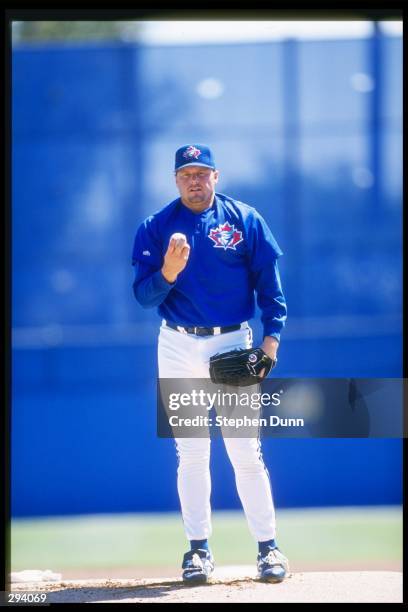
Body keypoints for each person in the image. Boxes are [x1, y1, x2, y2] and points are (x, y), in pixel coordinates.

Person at [131, 144, 289, 584]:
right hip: (178, 344)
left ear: (216, 176)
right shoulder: (156, 227)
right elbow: (143, 297)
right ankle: (198, 551)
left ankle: (268, 549)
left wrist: (270, 345)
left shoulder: (244, 220)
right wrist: (167, 272)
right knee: (192, 452)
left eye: (202, 173)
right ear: (176, 180)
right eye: (186, 174)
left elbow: (271, 291)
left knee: (245, 450)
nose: (194, 180)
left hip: (233, 343)